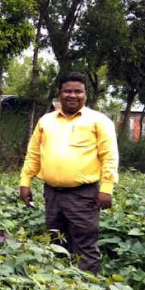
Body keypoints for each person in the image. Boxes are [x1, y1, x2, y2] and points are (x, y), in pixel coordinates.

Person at [18, 72, 118, 273]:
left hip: (84, 194)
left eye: (78, 91)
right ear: (60, 94)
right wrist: (25, 181)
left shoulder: (99, 121)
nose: (72, 95)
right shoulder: (46, 121)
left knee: (85, 243)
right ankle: (60, 284)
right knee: (55, 240)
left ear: (85, 94)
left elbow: (109, 156)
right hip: (52, 193)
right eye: (68, 91)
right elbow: (33, 154)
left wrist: (106, 188)